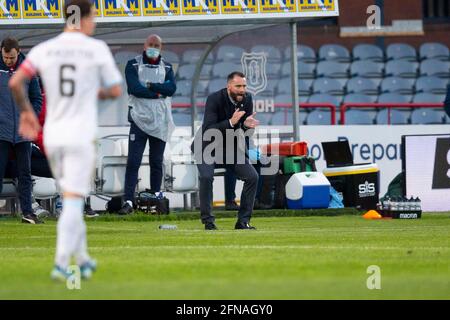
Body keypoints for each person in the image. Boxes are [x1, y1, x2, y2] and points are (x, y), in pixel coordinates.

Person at [9, 0, 122, 281]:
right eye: (93, 16)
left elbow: (15, 82)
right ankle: (61, 262)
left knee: (71, 192)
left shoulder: (45, 48)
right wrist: (91, 93)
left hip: (54, 135)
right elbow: (115, 90)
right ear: (83, 18)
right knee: (72, 199)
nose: (94, 22)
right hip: (80, 133)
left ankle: (82, 259)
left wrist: (26, 114)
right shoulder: (95, 49)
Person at [192, 71, 260, 230]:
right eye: (238, 86)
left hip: (230, 146)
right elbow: (209, 129)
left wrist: (245, 126)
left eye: (244, 86)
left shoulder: (248, 99)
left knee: (252, 176)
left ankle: (243, 221)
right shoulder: (214, 99)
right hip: (206, 145)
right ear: (228, 86)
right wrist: (230, 122)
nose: (242, 89)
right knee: (207, 177)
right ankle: (208, 222)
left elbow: (243, 132)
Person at [118, 34, 177, 215]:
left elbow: (172, 89)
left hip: (160, 121)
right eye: (150, 44)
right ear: (144, 45)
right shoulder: (133, 64)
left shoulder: (167, 66)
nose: (153, 47)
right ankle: (128, 200)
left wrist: (150, 85)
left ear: (161, 47)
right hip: (138, 119)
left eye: (156, 45)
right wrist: (158, 92)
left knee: (156, 161)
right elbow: (134, 88)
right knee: (133, 161)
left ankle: (156, 195)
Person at [0, 37, 42, 224]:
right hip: (1, 131)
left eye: (12, 57)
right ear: (1, 52)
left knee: (25, 174)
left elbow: (36, 98)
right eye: (6, 57)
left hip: (23, 131)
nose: (9, 60)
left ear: (19, 52)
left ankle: (27, 213)